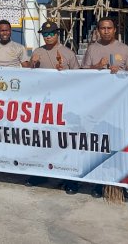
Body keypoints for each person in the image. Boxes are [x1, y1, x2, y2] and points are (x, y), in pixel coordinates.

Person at [81, 16, 128, 200]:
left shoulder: (124, 49)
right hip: (99, 105)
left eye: (109, 28)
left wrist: (125, 71)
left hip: (120, 106)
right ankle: (100, 182)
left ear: (115, 29)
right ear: (98, 30)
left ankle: (121, 184)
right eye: (102, 28)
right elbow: (82, 73)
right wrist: (97, 67)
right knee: (100, 143)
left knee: (120, 142)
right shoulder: (93, 48)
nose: (106, 31)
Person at [29, 20, 79, 193]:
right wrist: (32, 64)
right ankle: (40, 173)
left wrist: (63, 73)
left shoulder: (68, 53)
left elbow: (79, 77)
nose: (48, 37)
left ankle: (69, 178)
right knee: (41, 139)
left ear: (58, 34)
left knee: (64, 141)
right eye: (45, 34)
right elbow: (29, 77)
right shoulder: (37, 52)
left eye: (51, 34)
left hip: (63, 104)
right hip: (43, 104)